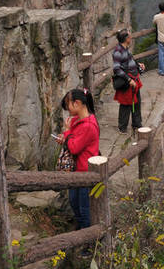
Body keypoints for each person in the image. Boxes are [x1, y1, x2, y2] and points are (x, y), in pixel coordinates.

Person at [56, 88, 99, 230]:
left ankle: (88, 241)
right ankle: (81, 230)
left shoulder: (88, 125)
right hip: (77, 170)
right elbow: (72, 140)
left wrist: (67, 133)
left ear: (77, 103)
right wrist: (66, 137)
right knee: (74, 203)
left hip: (84, 172)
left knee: (84, 208)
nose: (67, 108)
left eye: (68, 104)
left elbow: (74, 148)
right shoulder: (78, 121)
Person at [112, 29, 145, 134]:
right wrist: (129, 79)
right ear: (126, 39)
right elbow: (117, 69)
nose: (131, 38)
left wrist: (138, 65)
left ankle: (137, 124)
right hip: (127, 82)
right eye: (130, 36)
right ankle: (122, 127)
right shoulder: (118, 51)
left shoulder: (125, 49)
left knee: (136, 102)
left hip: (134, 80)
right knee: (126, 104)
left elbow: (128, 62)